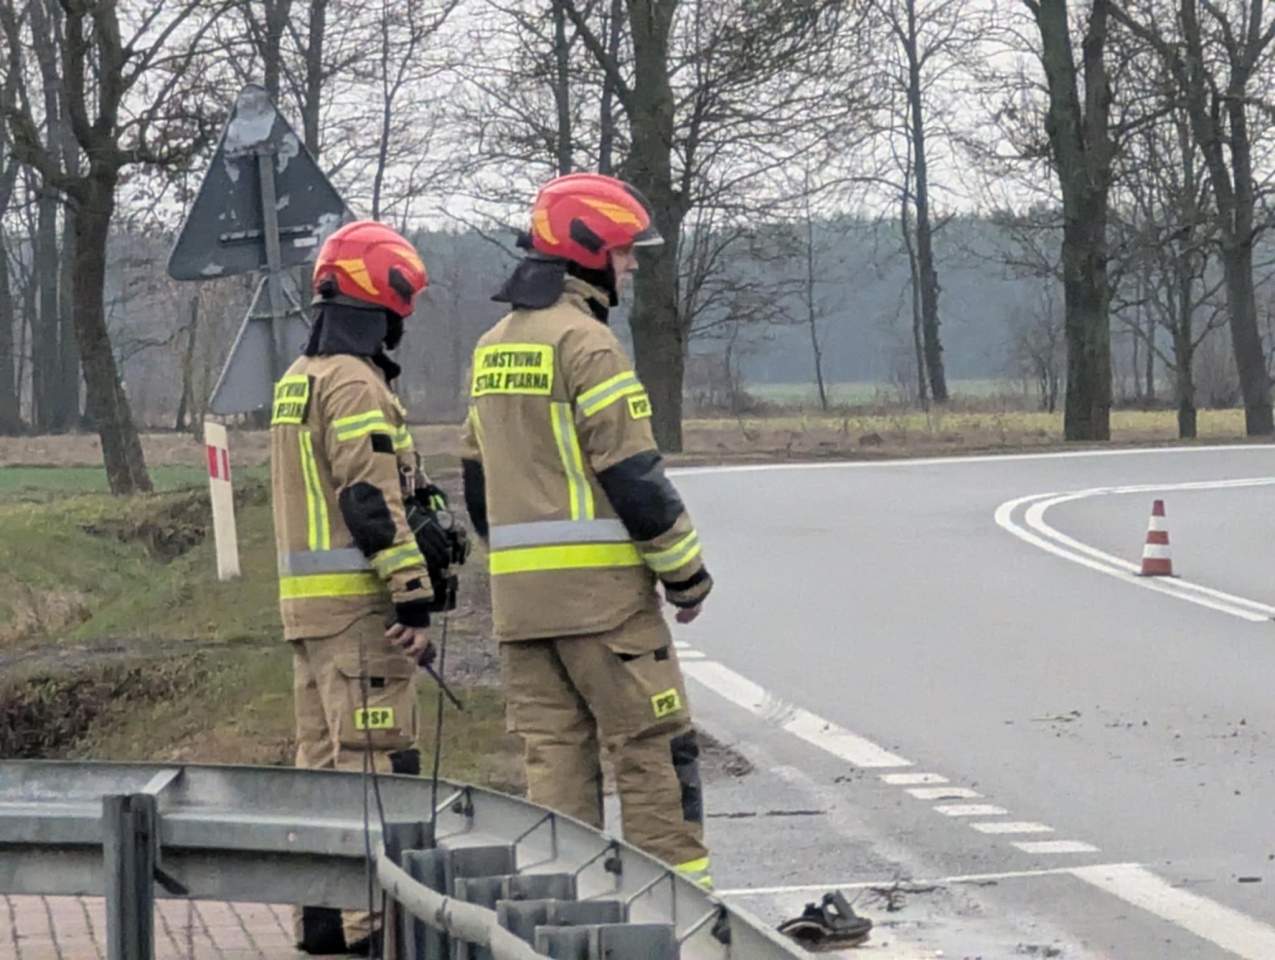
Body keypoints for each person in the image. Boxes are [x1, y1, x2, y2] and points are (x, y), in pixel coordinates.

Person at [458, 172, 716, 889]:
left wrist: (519, 563)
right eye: (627, 251)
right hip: (604, 608)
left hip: (521, 611)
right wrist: (685, 574)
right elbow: (633, 474)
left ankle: (564, 926)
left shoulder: (492, 346)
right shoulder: (588, 343)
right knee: (654, 755)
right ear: (590, 252)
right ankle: (679, 923)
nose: (632, 264)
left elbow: (477, 481)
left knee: (555, 770)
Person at [270, 220, 455, 955]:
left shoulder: (298, 379)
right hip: (358, 612)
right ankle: (368, 930)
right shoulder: (353, 382)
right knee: (377, 765)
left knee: (321, 766)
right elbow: (368, 498)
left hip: (308, 612)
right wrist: (412, 596)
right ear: (383, 301)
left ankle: (319, 921)